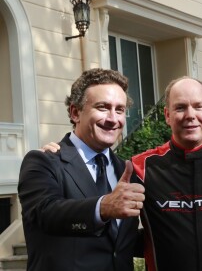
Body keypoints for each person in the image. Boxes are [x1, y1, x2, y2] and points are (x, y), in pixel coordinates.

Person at [42, 76, 202, 271]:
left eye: (198, 106)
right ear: (167, 115)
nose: (190, 115)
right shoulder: (139, 167)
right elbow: (104, 217)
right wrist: (66, 153)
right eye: (180, 107)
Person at [18, 68, 145, 271]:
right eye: (103, 107)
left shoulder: (127, 170)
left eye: (119, 110)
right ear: (75, 112)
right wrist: (103, 207)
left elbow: (121, 242)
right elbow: (46, 214)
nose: (113, 118)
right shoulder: (43, 162)